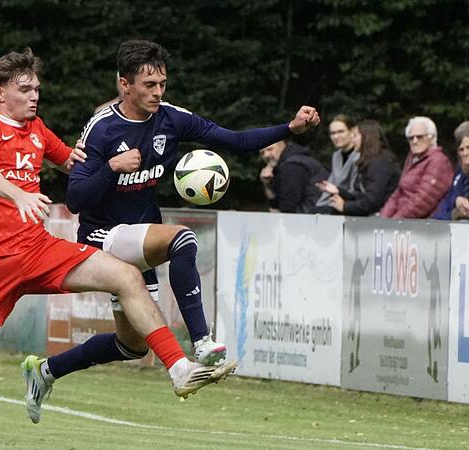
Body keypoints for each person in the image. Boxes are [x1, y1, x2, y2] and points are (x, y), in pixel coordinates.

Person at [0, 49, 233, 450]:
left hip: (40, 250)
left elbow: (79, 163)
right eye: (25, 89)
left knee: (125, 275)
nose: (34, 96)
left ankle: (178, 368)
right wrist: (18, 193)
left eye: (37, 88)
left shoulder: (37, 129)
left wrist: (117, 137)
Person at [19, 39, 320, 424]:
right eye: (149, 85)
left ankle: (46, 371)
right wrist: (112, 166)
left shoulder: (171, 119)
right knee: (182, 239)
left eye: (162, 83)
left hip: (138, 236)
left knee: (132, 346)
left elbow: (235, 140)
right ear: (124, 84)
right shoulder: (102, 129)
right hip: (102, 237)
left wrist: (288, 128)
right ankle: (203, 343)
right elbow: (75, 198)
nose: (158, 92)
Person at [316, 120, 400, 216]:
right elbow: (364, 195)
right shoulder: (372, 161)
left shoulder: (380, 163)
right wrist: (339, 191)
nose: (352, 139)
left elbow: (372, 202)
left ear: (366, 138)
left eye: (355, 135)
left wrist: (345, 206)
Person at [379, 116, 453, 218]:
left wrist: (395, 221)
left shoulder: (438, 161)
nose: (414, 141)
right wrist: (383, 218)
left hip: (423, 226)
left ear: (432, 138)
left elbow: (424, 200)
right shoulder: (413, 159)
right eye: (411, 138)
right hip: (402, 222)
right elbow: (398, 193)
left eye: (419, 137)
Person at [260, 139, 328, 213]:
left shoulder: (292, 166)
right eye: (262, 152)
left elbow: (287, 208)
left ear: (282, 145)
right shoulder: (288, 163)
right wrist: (267, 185)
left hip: (314, 218)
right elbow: (276, 204)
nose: (266, 155)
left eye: (270, 149)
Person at [314, 114, 359, 212]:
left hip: (350, 204)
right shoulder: (336, 156)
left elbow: (355, 189)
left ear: (352, 131)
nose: (336, 136)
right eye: (332, 133)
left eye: (340, 131)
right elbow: (332, 183)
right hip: (334, 202)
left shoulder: (358, 156)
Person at [432, 121, 469, 220]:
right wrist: (455, 212)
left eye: (468, 148)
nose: (465, 153)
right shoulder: (459, 174)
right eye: (461, 149)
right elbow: (440, 214)